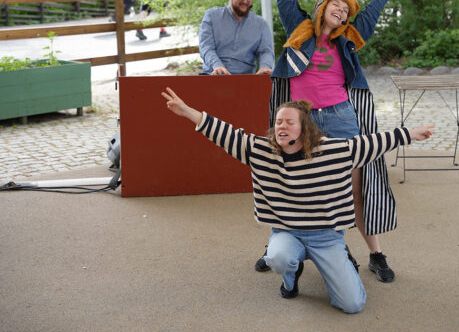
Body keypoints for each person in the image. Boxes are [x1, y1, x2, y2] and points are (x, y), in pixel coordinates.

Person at [161, 87, 434, 313]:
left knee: (353, 304)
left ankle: (338, 266)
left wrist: (410, 134)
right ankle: (290, 280)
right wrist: (187, 112)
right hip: (287, 232)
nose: (281, 126)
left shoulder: (334, 151)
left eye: (289, 122)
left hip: (327, 236)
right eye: (279, 122)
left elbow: (374, 142)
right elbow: (225, 133)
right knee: (278, 257)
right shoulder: (261, 151)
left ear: (304, 129)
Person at [260, 0, 427, 283]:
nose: (343, 11)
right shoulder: (299, 29)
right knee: (286, 179)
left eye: (348, 9)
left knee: (356, 186)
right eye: (337, 5)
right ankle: (278, 244)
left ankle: (375, 254)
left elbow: (377, 5)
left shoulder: (348, 39)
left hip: (339, 117)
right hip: (301, 118)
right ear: (323, 7)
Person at [198, 0, 274, 75]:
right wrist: (218, 66)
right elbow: (206, 48)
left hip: (245, 80)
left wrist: (265, 66)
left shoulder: (261, 24)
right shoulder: (211, 16)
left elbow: (265, 51)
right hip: (213, 75)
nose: (245, 1)